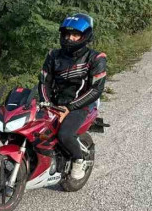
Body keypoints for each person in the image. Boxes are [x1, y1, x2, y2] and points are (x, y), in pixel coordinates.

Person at [37, 13, 107, 180]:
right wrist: (45, 102)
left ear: (85, 36)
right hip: (54, 102)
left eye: (75, 35)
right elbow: (44, 81)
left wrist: (69, 108)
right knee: (31, 128)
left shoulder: (96, 58)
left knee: (65, 135)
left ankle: (78, 159)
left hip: (81, 105)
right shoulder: (53, 55)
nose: (70, 39)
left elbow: (96, 90)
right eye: (67, 34)